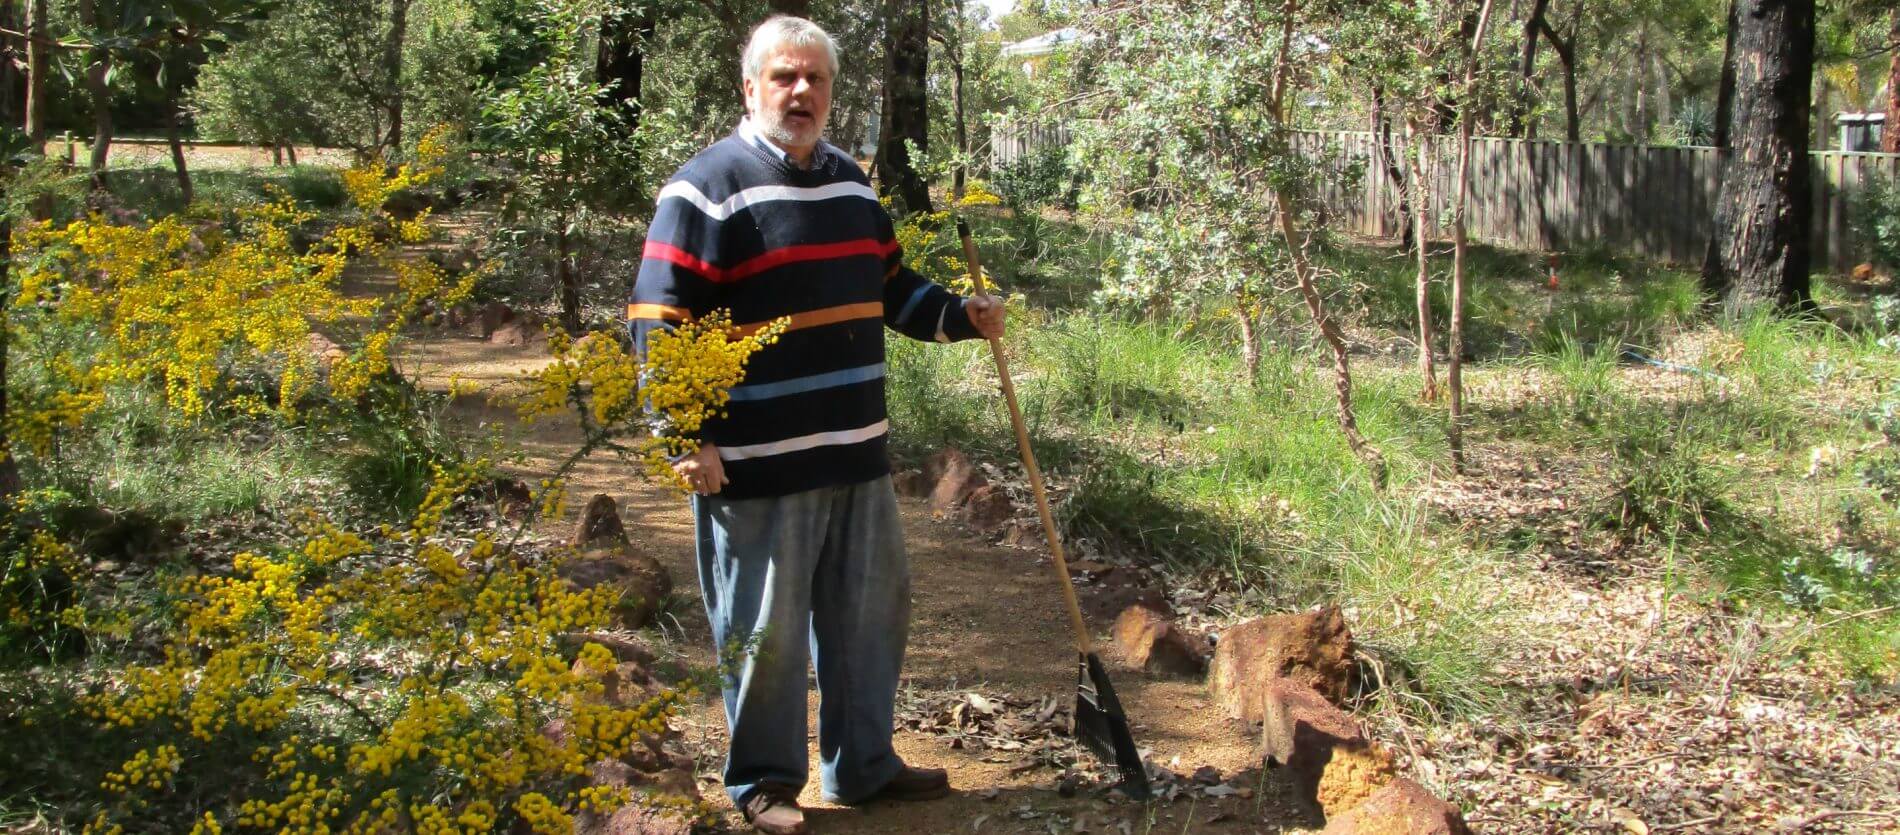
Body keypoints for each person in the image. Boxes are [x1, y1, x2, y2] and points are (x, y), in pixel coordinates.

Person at [626, 15, 1006, 835]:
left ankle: (863, 766)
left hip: (856, 452)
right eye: (785, 78)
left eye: (816, 80)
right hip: (756, 463)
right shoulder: (703, 188)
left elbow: (894, 291)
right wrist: (682, 436)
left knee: (870, 615)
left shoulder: (851, 185)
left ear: (833, 91)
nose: (802, 93)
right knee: (763, 633)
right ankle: (762, 782)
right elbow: (659, 320)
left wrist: (962, 316)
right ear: (751, 87)